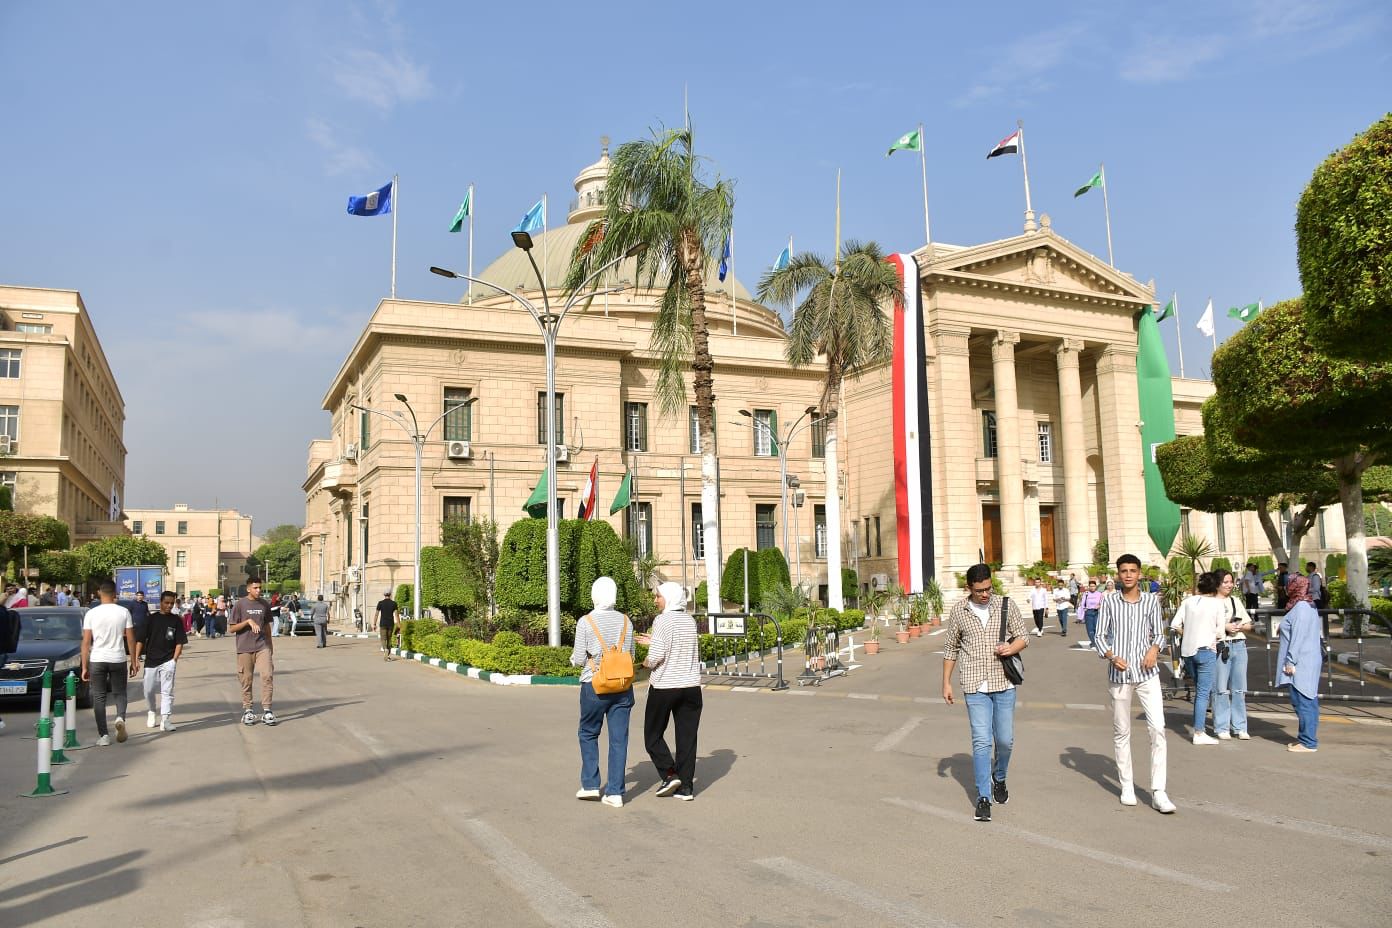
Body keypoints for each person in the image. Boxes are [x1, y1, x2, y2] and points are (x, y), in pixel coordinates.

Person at [941, 563, 1029, 823]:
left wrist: (1010, 649)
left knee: (1005, 740)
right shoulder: (959, 610)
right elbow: (950, 648)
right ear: (969, 588)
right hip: (973, 685)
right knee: (981, 741)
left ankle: (999, 777)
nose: (985, 594)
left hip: (1003, 683)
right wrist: (946, 682)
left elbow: (1023, 636)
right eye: (979, 590)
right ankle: (983, 797)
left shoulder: (1006, 605)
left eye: (988, 589)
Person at [1095, 554, 1175, 813]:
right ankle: (1127, 784)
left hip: (1147, 673)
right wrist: (1111, 656)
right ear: (1118, 574)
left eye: (1132, 570)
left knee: (1158, 729)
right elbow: (1099, 636)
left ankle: (1159, 791)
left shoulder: (1151, 601)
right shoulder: (1109, 601)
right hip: (1119, 674)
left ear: (1139, 573)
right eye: (1123, 571)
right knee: (1122, 731)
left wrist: (1154, 649)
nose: (1128, 575)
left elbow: (1160, 633)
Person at [569, 577, 635, 808]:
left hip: (594, 686)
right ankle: (615, 792)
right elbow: (631, 656)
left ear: (594, 595)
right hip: (623, 687)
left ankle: (590, 785)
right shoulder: (626, 621)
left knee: (588, 733)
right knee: (619, 739)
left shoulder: (586, 622)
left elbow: (578, 659)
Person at [635, 581, 702, 801]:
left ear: (669, 598)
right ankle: (686, 789)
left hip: (665, 686)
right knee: (687, 739)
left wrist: (644, 663)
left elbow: (656, 657)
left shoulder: (662, 620)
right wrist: (654, 641)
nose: (655, 600)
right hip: (691, 687)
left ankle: (670, 773)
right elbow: (678, 645)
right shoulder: (690, 620)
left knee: (652, 736)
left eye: (658, 596)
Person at [1170, 572, 1224, 744]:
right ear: (1215, 586)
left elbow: (1175, 624)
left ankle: (1199, 728)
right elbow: (1220, 632)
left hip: (1188, 651)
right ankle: (1199, 732)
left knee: (1199, 690)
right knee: (1202, 693)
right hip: (1206, 649)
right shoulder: (1217, 604)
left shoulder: (1188, 601)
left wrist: (1188, 634)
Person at [80, 581, 135, 747]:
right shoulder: (124, 612)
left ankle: (104, 735)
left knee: (99, 697)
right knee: (120, 693)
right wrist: (133, 659)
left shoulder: (91, 613)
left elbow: (86, 642)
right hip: (117, 658)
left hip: (97, 659)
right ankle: (120, 718)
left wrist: (84, 666)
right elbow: (131, 638)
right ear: (115, 594)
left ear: (99, 593)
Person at [1277, 575, 1324, 752]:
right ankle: (1305, 738)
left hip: (1301, 662)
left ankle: (1308, 742)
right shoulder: (1306, 605)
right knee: (1306, 700)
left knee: (1303, 701)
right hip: (1306, 659)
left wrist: (1290, 661)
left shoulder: (1302, 608)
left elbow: (1297, 638)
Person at [132, 590, 187, 732]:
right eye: (166, 603)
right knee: (148, 689)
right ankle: (151, 711)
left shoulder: (176, 621)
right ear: (161, 602)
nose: (169, 606)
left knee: (167, 691)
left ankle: (165, 719)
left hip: (168, 660)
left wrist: (174, 659)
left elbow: (179, 642)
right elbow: (140, 640)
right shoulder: (151, 619)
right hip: (151, 661)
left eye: (172, 603)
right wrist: (136, 658)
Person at [229, 579, 275, 726]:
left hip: (262, 646)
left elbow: (267, 625)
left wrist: (270, 645)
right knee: (246, 680)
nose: (258, 590)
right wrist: (248, 622)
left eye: (260, 587)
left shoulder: (264, 604)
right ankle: (248, 710)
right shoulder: (240, 604)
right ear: (248, 589)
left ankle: (267, 710)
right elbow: (232, 628)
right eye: (255, 588)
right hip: (244, 648)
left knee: (267, 676)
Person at [1213, 568, 1253, 740]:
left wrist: (1239, 627)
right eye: (1225, 582)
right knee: (1221, 688)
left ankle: (1240, 726)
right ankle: (1221, 726)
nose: (1229, 585)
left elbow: (1249, 625)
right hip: (1221, 646)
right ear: (1217, 584)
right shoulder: (1210, 602)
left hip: (1239, 645)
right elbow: (1205, 627)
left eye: (1231, 582)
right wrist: (1224, 627)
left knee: (1239, 688)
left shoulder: (1236, 601)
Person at [1080, 579, 1104, 649]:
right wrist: (1084, 610)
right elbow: (1082, 603)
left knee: (1096, 628)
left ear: (1096, 586)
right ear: (1089, 587)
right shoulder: (1086, 594)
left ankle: (1097, 642)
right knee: (1089, 629)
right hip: (1088, 612)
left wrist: (1099, 606)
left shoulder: (1099, 594)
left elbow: (1102, 602)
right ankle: (1093, 643)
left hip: (1096, 612)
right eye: (1091, 586)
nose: (1092, 587)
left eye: (1093, 586)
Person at [376, 591, 398, 660]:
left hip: (383, 623)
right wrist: (399, 624)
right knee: (389, 639)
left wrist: (374, 624)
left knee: (383, 639)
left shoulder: (380, 603)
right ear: (390, 595)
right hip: (390, 624)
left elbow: (376, 614)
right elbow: (396, 615)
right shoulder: (394, 603)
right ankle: (388, 656)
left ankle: (385, 649)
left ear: (384, 595)